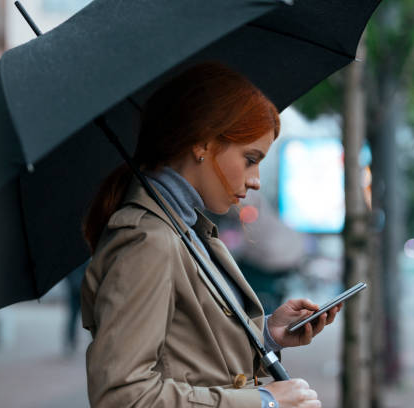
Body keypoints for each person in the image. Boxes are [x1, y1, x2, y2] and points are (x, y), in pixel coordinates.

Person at [80, 61, 342, 408]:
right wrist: (264, 401)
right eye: (250, 158)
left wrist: (267, 333)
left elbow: (187, 350)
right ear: (202, 143)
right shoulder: (149, 240)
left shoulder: (185, 228)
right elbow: (122, 396)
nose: (256, 180)